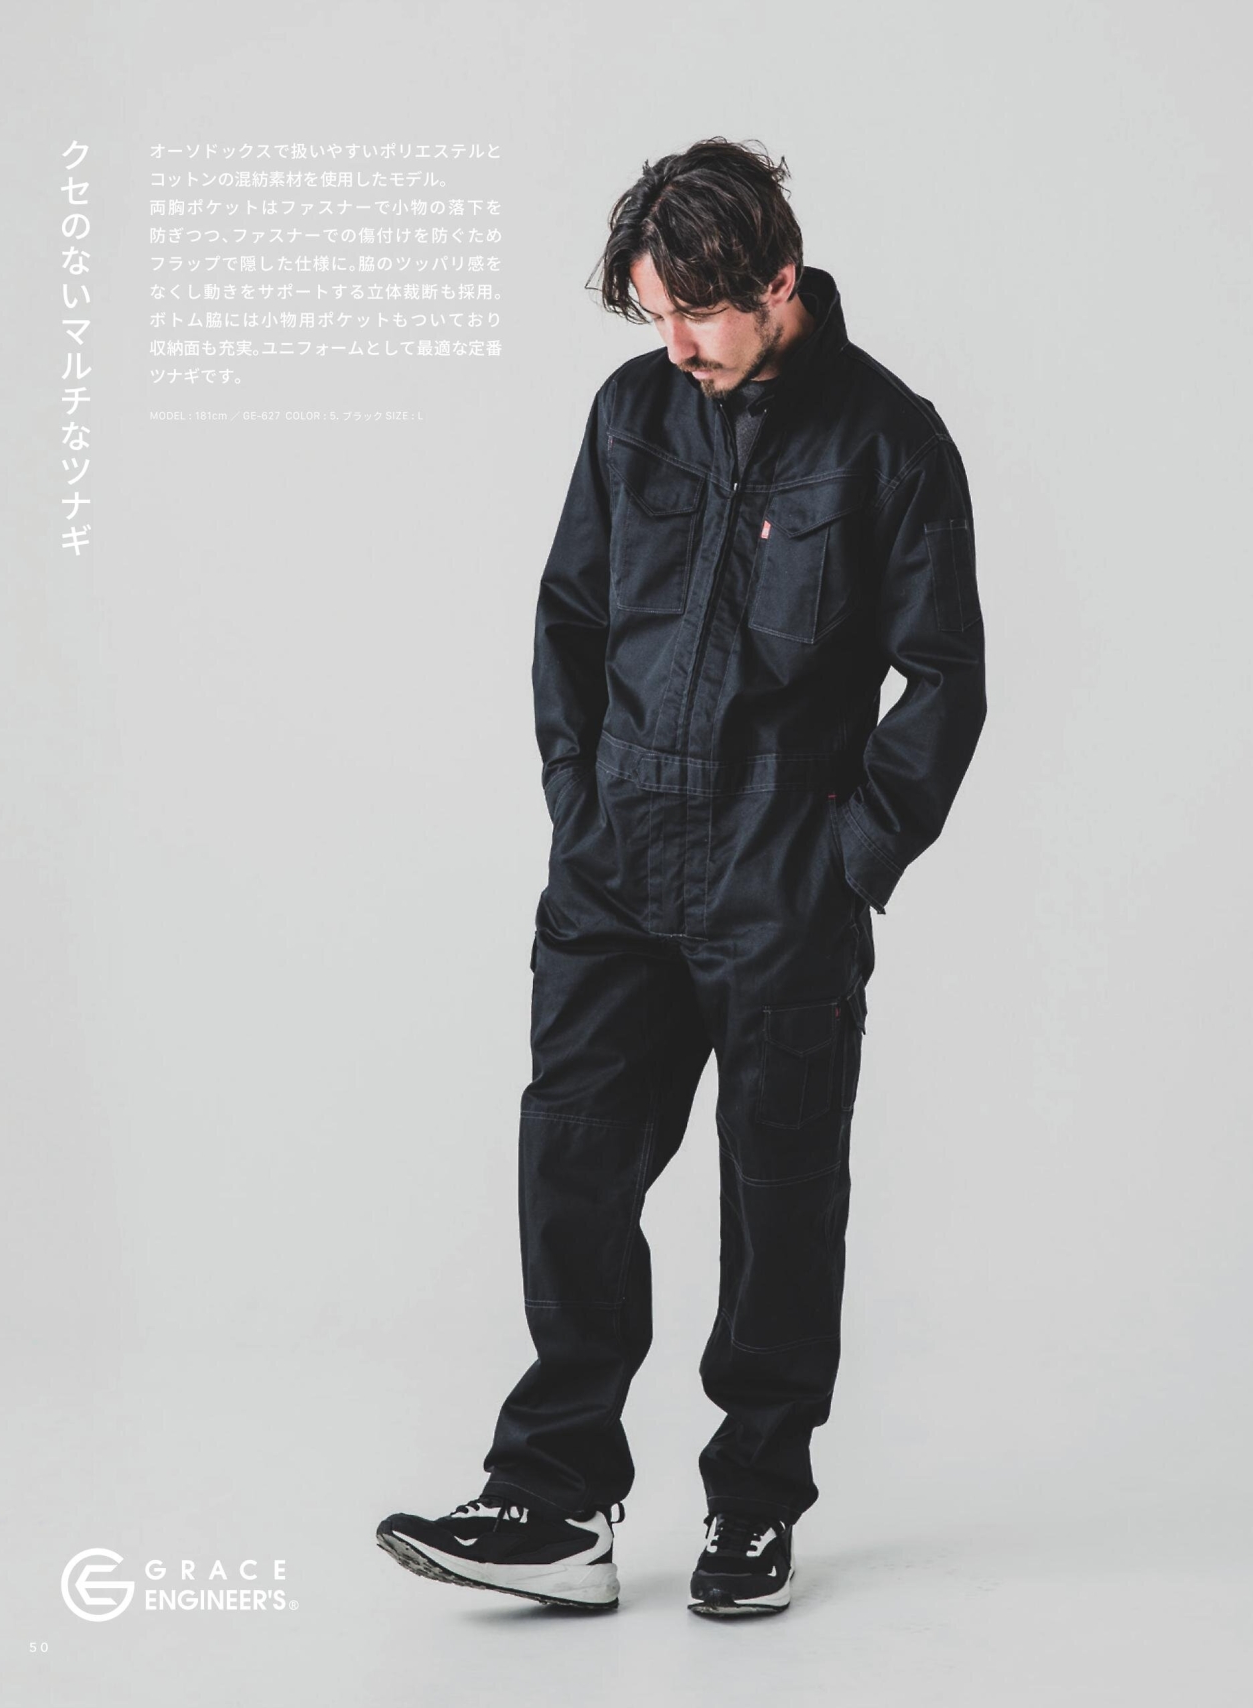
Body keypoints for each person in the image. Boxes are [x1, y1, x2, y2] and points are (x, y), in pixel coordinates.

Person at [376, 137, 987, 1618]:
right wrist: (578, 807)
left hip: (784, 880)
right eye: (655, 316)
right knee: (571, 1164)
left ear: (779, 280)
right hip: (618, 871)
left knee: (779, 1200)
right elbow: (571, 623)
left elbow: (946, 682)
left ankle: (756, 1507)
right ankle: (555, 1501)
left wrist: (847, 865)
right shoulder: (630, 413)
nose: (677, 347)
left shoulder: (890, 440)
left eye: (700, 315)